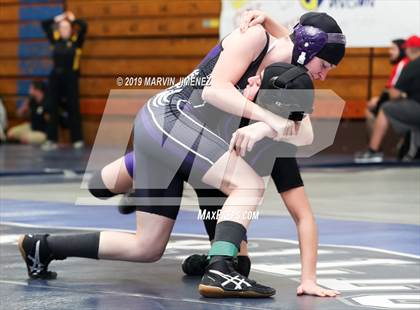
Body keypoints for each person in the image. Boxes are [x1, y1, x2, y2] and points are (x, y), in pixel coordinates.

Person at [18, 12, 345, 298]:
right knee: (247, 185)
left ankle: (42, 246)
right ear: (308, 50)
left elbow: (305, 131)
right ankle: (217, 269)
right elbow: (215, 90)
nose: (325, 74)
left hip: (179, 139)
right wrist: (268, 119)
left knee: (147, 247)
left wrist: (264, 127)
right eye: (325, 65)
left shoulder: (287, 79)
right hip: (172, 117)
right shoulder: (256, 38)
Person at [355, 35, 420, 163]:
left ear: (409, 50)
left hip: (417, 107)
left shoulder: (410, 65)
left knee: (386, 109)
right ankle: (410, 152)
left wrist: (401, 95)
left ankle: (373, 151)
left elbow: (394, 94)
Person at [40, 11, 87, 151]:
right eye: (62, 28)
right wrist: (59, 18)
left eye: (67, 28)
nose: (64, 30)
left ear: (71, 29)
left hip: (71, 78)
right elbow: (45, 24)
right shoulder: (55, 41)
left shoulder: (76, 42)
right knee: (53, 107)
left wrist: (72, 20)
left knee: (73, 107)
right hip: (55, 77)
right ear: (59, 30)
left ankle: (77, 139)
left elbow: (84, 26)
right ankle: (51, 140)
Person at [7, 81, 47, 145]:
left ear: (37, 90)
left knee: (24, 138)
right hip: (32, 127)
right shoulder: (32, 100)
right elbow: (19, 114)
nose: (29, 90)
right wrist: (23, 108)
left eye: (31, 88)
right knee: (10, 134)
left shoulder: (47, 102)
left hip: (43, 132)